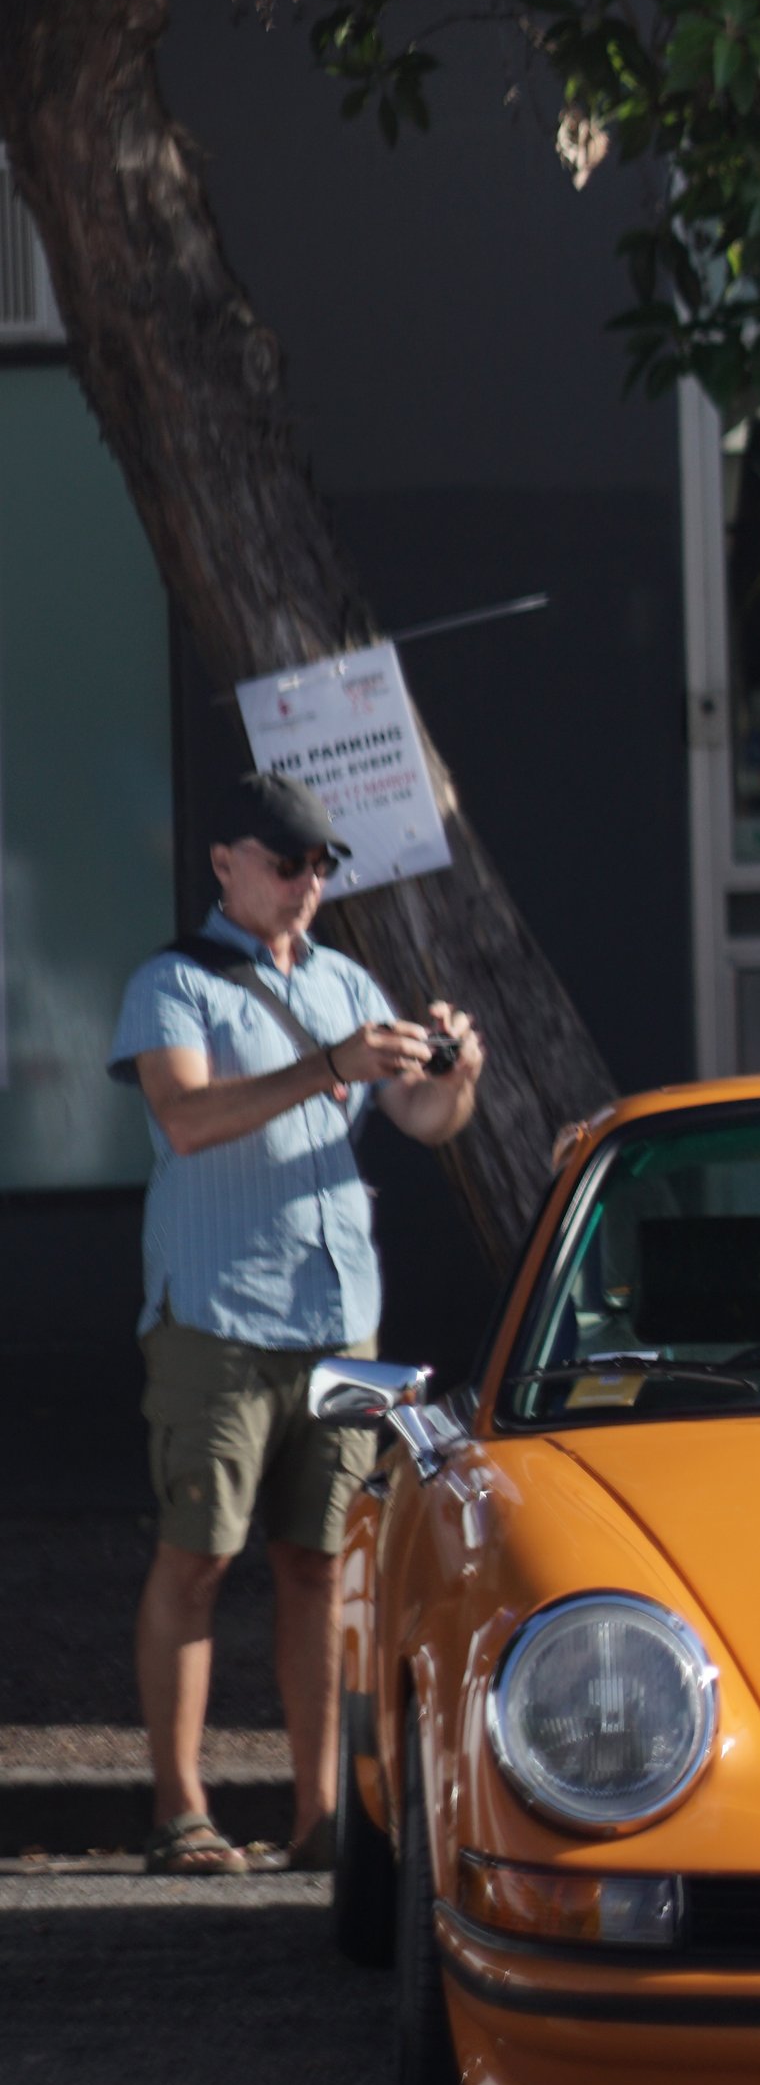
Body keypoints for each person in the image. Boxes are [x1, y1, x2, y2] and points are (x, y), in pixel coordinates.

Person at [110, 770, 485, 1877]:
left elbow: (422, 1119)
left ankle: (324, 1817)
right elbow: (184, 1116)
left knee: (321, 1566)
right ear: (225, 862)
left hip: (336, 1325)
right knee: (199, 1556)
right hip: (218, 1317)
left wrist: (456, 1072)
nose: (305, 883)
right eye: (285, 862)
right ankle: (182, 1812)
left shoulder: (347, 981)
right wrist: (327, 1063)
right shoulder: (172, 983)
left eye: (320, 864)